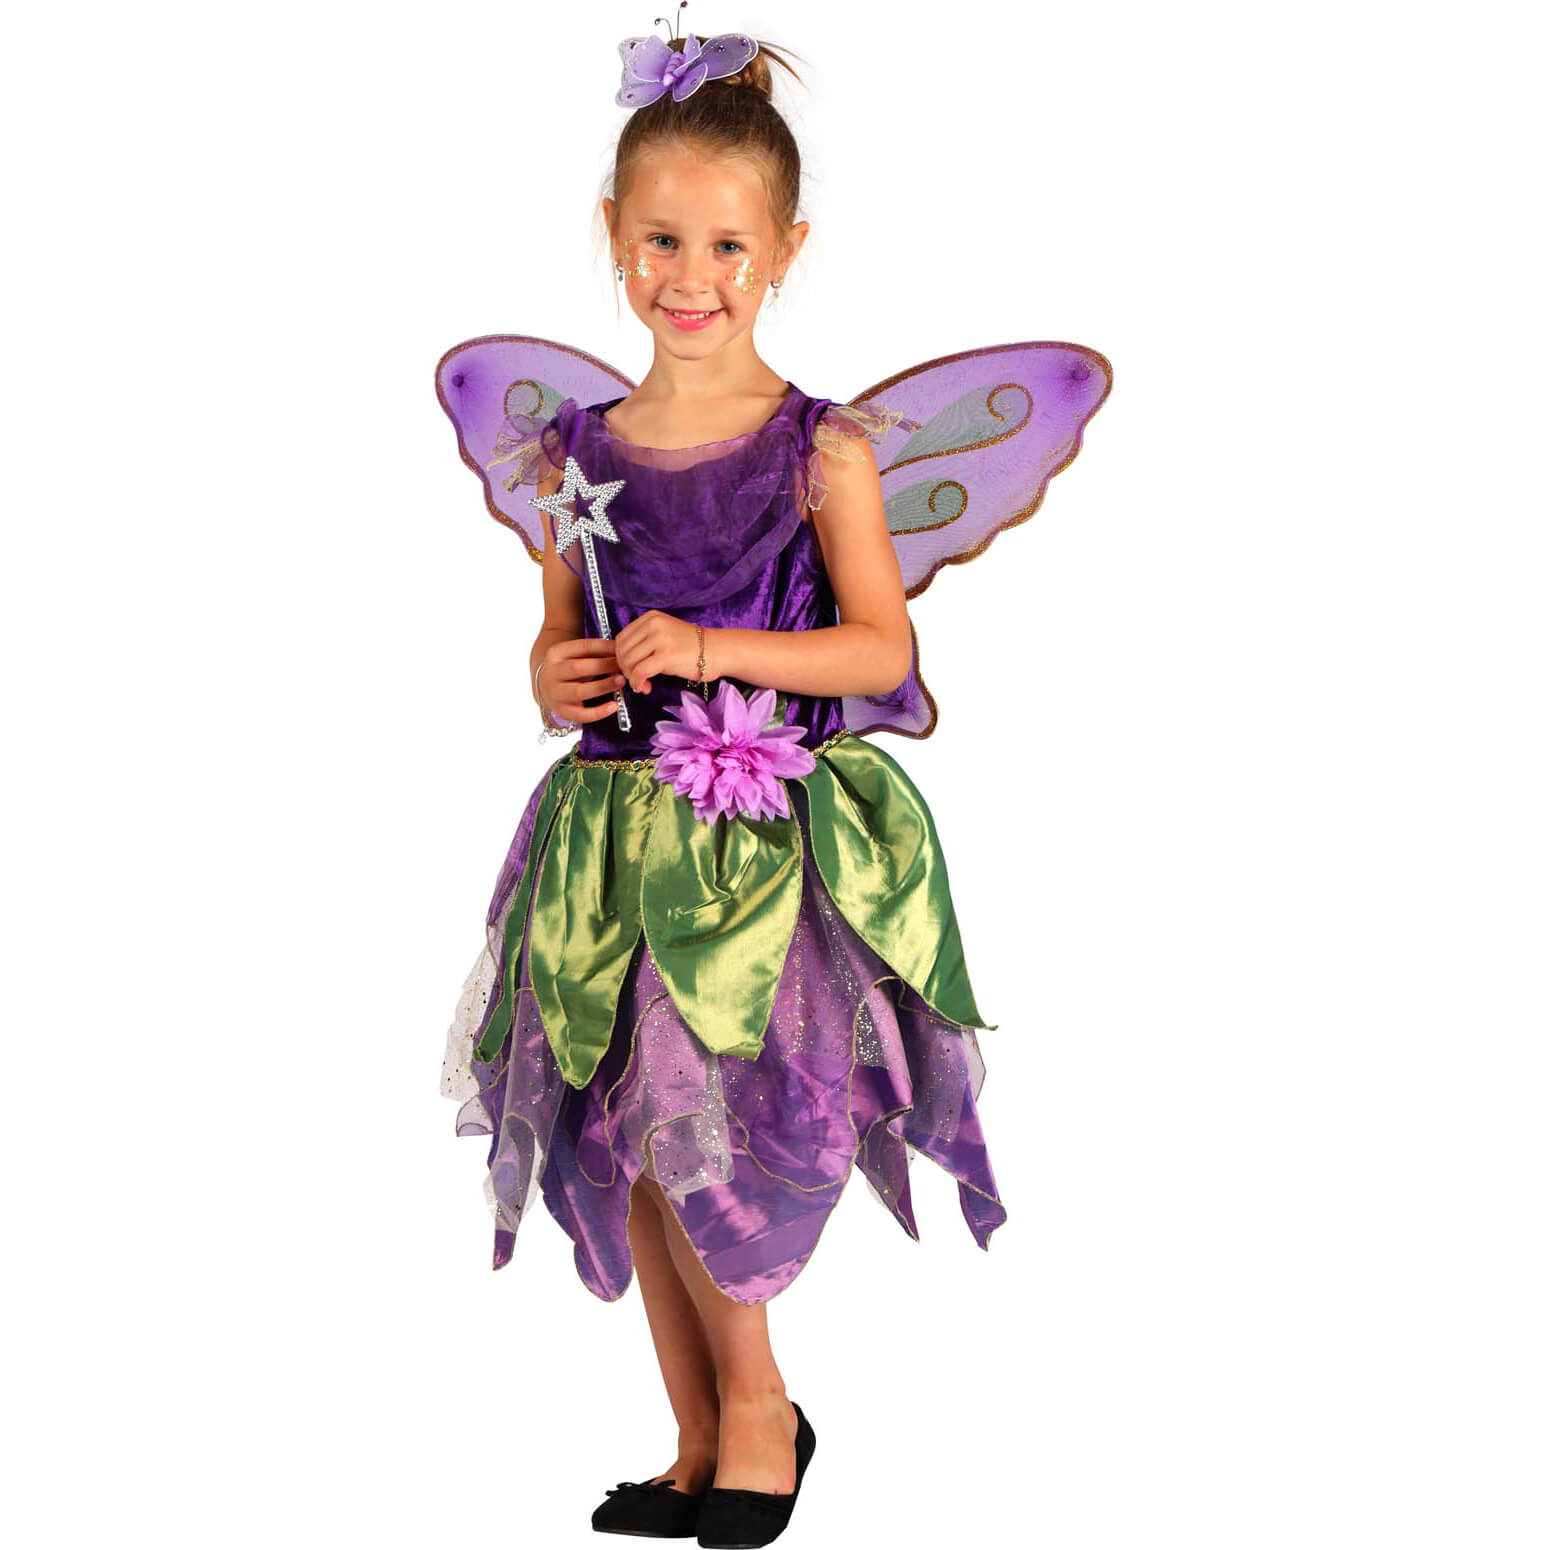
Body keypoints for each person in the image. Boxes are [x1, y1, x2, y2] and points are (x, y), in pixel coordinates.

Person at [435, 19, 1110, 1546]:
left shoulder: (822, 450)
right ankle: (694, 1433)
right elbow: (557, 630)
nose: (690, 277)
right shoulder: (571, 452)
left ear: (785, 249)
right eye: (660, 240)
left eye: (726, 245)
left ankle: (760, 1410)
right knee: (618, 1128)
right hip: (607, 840)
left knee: (699, 1126)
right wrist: (555, 674)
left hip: (744, 853)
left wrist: (713, 645)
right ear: (612, 234)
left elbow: (877, 647)